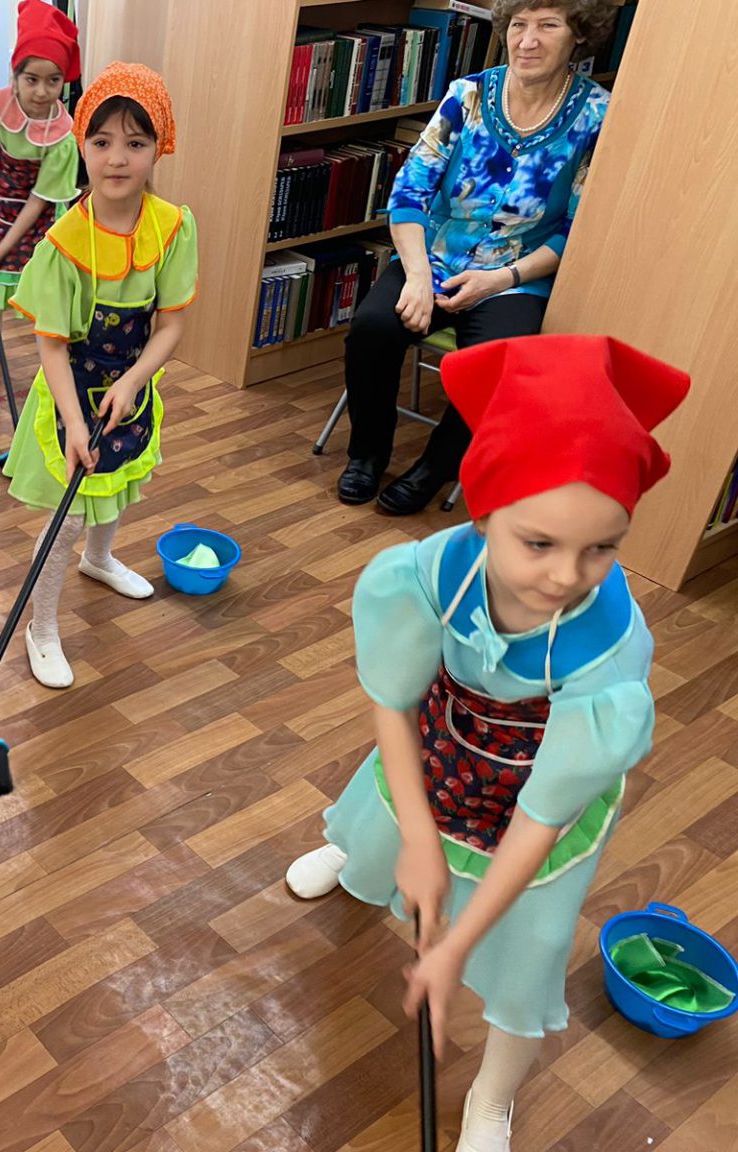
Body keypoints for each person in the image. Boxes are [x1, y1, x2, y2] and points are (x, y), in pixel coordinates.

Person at [287, 334, 690, 1152]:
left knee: (529, 951)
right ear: (483, 513)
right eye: (539, 543)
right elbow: (393, 703)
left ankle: (492, 1098)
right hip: (443, 739)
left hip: (540, 791)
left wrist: (455, 949)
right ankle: (358, 856)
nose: (567, 577)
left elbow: (542, 816)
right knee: (385, 823)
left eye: (602, 547)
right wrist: (419, 839)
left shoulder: (609, 653)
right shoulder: (434, 570)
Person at [337, 0, 619, 515]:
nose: (527, 41)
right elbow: (408, 194)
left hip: (518, 273)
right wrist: (417, 278)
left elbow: (577, 233)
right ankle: (367, 453)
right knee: (373, 328)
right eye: (519, 25)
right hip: (435, 257)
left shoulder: (599, 116)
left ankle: (434, 469)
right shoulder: (465, 96)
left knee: (497, 364)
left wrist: (500, 279)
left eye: (548, 26)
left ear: (579, 35)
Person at [2, 62, 197, 689]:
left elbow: (170, 325)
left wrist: (135, 380)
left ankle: (101, 559)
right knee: (67, 518)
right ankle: (42, 629)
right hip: (69, 392)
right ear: (81, 145)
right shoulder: (63, 244)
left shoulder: (172, 227)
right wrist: (74, 421)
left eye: (136, 143)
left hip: (128, 387)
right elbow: (51, 347)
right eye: (103, 141)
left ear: (158, 148)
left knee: (116, 482)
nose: (117, 158)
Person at [0, 0, 81, 370]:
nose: (42, 92)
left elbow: (40, 200)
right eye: (31, 80)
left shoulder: (63, 138)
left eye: (53, 81)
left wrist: (7, 245)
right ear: (15, 76)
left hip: (38, 216)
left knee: (43, 289)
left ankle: (51, 358)